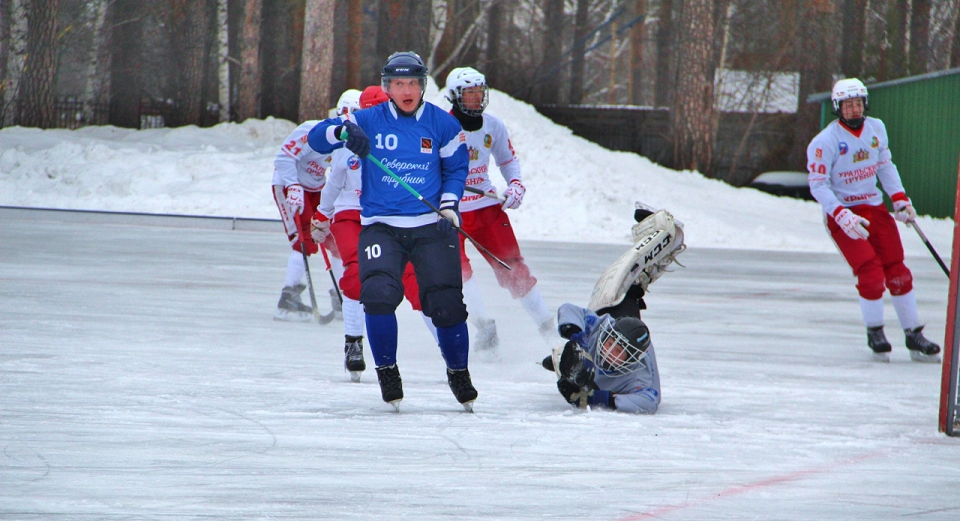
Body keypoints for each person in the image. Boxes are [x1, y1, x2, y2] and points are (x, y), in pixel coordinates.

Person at [307, 51, 476, 411]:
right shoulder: (367, 118)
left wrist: (449, 203)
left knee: (445, 305)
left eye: (413, 83)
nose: (406, 90)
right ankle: (387, 371)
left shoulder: (443, 124)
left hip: (432, 226)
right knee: (379, 295)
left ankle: (458, 371)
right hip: (381, 228)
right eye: (398, 83)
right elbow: (317, 138)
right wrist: (342, 130)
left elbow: (457, 168)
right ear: (388, 87)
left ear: (423, 85)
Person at [806, 78, 940, 363]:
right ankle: (875, 331)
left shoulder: (876, 128)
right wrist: (841, 215)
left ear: (864, 104)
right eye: (847, 105)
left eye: (857, 104)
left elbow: (885, 165)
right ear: (837, 108)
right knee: (870, 271)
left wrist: (900, 198)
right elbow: (818, 185)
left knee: (897, 269)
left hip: (875, 208)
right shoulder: (824, 142)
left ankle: (913, 333)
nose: (853, 110)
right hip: (845, 215)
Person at [314, 85, 439, 383]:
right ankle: (353, 343)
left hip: (387, 218)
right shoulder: (349, 146)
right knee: (358, 272)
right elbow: (333, 185)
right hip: (350, 215)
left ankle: (446, 345)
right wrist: (321, 215)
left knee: (414, 278)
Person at [442, 66, 556, 357]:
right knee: (456, 269)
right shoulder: (441, 125)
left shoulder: (493, 125)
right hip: (452, 209)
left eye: (479, 92)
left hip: (487, 207)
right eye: (469, 93)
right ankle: (484, 326)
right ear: (455, 96)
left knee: (513, 267)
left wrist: (515, 184)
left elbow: (507, 160)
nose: (477, 98)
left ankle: (548, 328)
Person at [541, 206, 685, 413]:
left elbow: (649, 402)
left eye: (618, 351)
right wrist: (577, 336)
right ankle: (660, 234)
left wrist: (593, 399)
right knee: (617, 288)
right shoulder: (601, 328)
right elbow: (569, 310)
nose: (609, 350)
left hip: (619, 353)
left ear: (631, 360)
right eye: (610, 343)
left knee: (561, 358)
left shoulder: (639, 378)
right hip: (621, 317)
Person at [270, 90, 355, 321]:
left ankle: (342, 297)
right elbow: (284, 157)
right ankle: (288, 299)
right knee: (305, 242)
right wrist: (293, 186)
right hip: (290, 185)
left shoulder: (350, 142)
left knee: (336, 241)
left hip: (317, 189)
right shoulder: (312, 130)